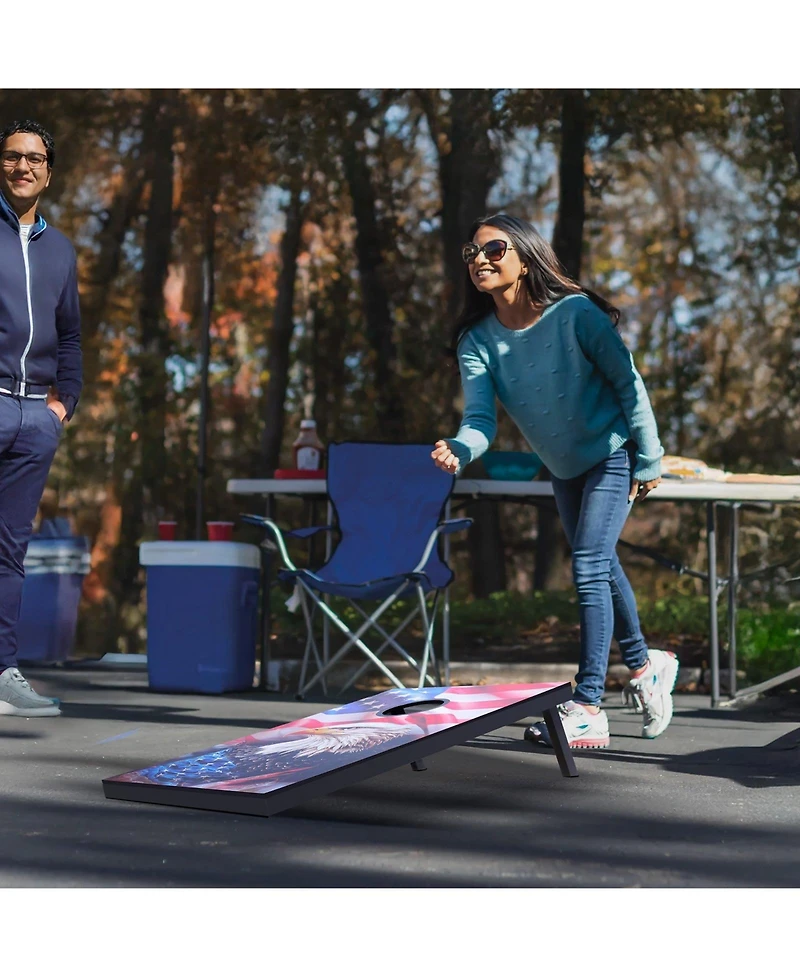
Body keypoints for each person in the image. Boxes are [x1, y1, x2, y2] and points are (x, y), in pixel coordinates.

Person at [431, 214, 678, 748]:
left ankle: (588, 703)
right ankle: (645, 665)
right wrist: (460, 449)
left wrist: (650, 457)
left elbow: (627, 382)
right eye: (470, 254)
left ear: (525, 254)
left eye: (493, 249)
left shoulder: (576, 315)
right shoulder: (478, 340)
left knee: (588, 563)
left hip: (612, 452)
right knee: (602, 562)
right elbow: (480, 421)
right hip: (563, 466)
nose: (480, 260)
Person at [0, 120, 82, 718]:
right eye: (11, 157)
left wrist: (62, 405)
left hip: (36, 418)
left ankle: (3, 673)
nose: (22, 167)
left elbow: (72, 336)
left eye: (33, 158)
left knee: (10, 551)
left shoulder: (61, 250)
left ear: (48, 172)